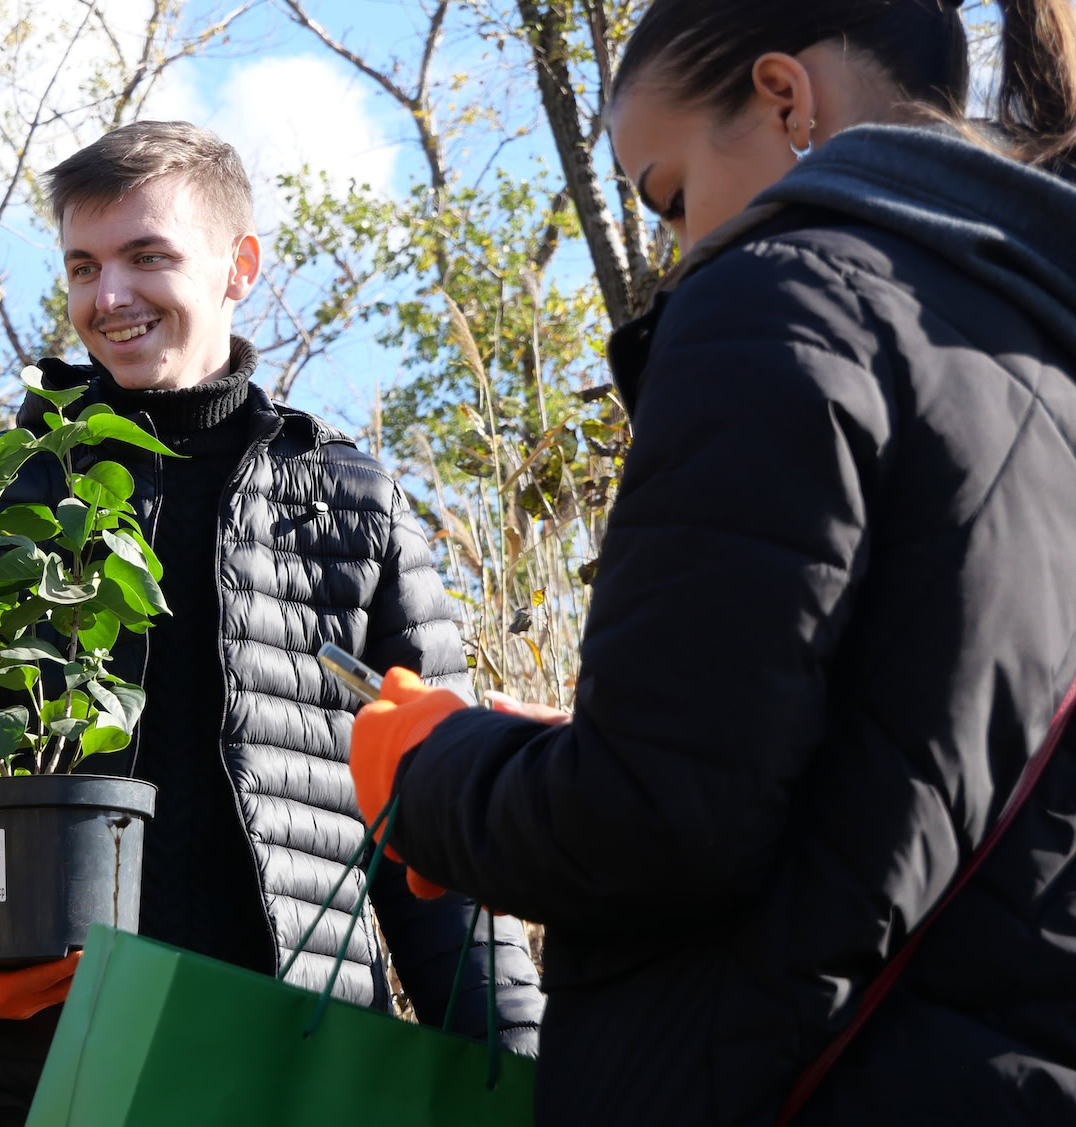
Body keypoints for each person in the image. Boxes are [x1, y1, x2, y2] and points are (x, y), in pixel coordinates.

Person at [347, 1, 1076, 1123]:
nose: (681, 250)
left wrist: (430, 768)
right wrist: (592, 741)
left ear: (785, 100)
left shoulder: (782, 298)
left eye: (672, 195)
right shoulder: (1037, 360)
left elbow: (653, 820)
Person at [0, 120, 544, 1126]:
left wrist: (520, 1070)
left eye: (146, 256)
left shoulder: (351, 504)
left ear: (238, 266)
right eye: (82, 266)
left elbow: (444, 821)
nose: (108, 297)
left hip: (299, 1070)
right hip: (35, 1067)